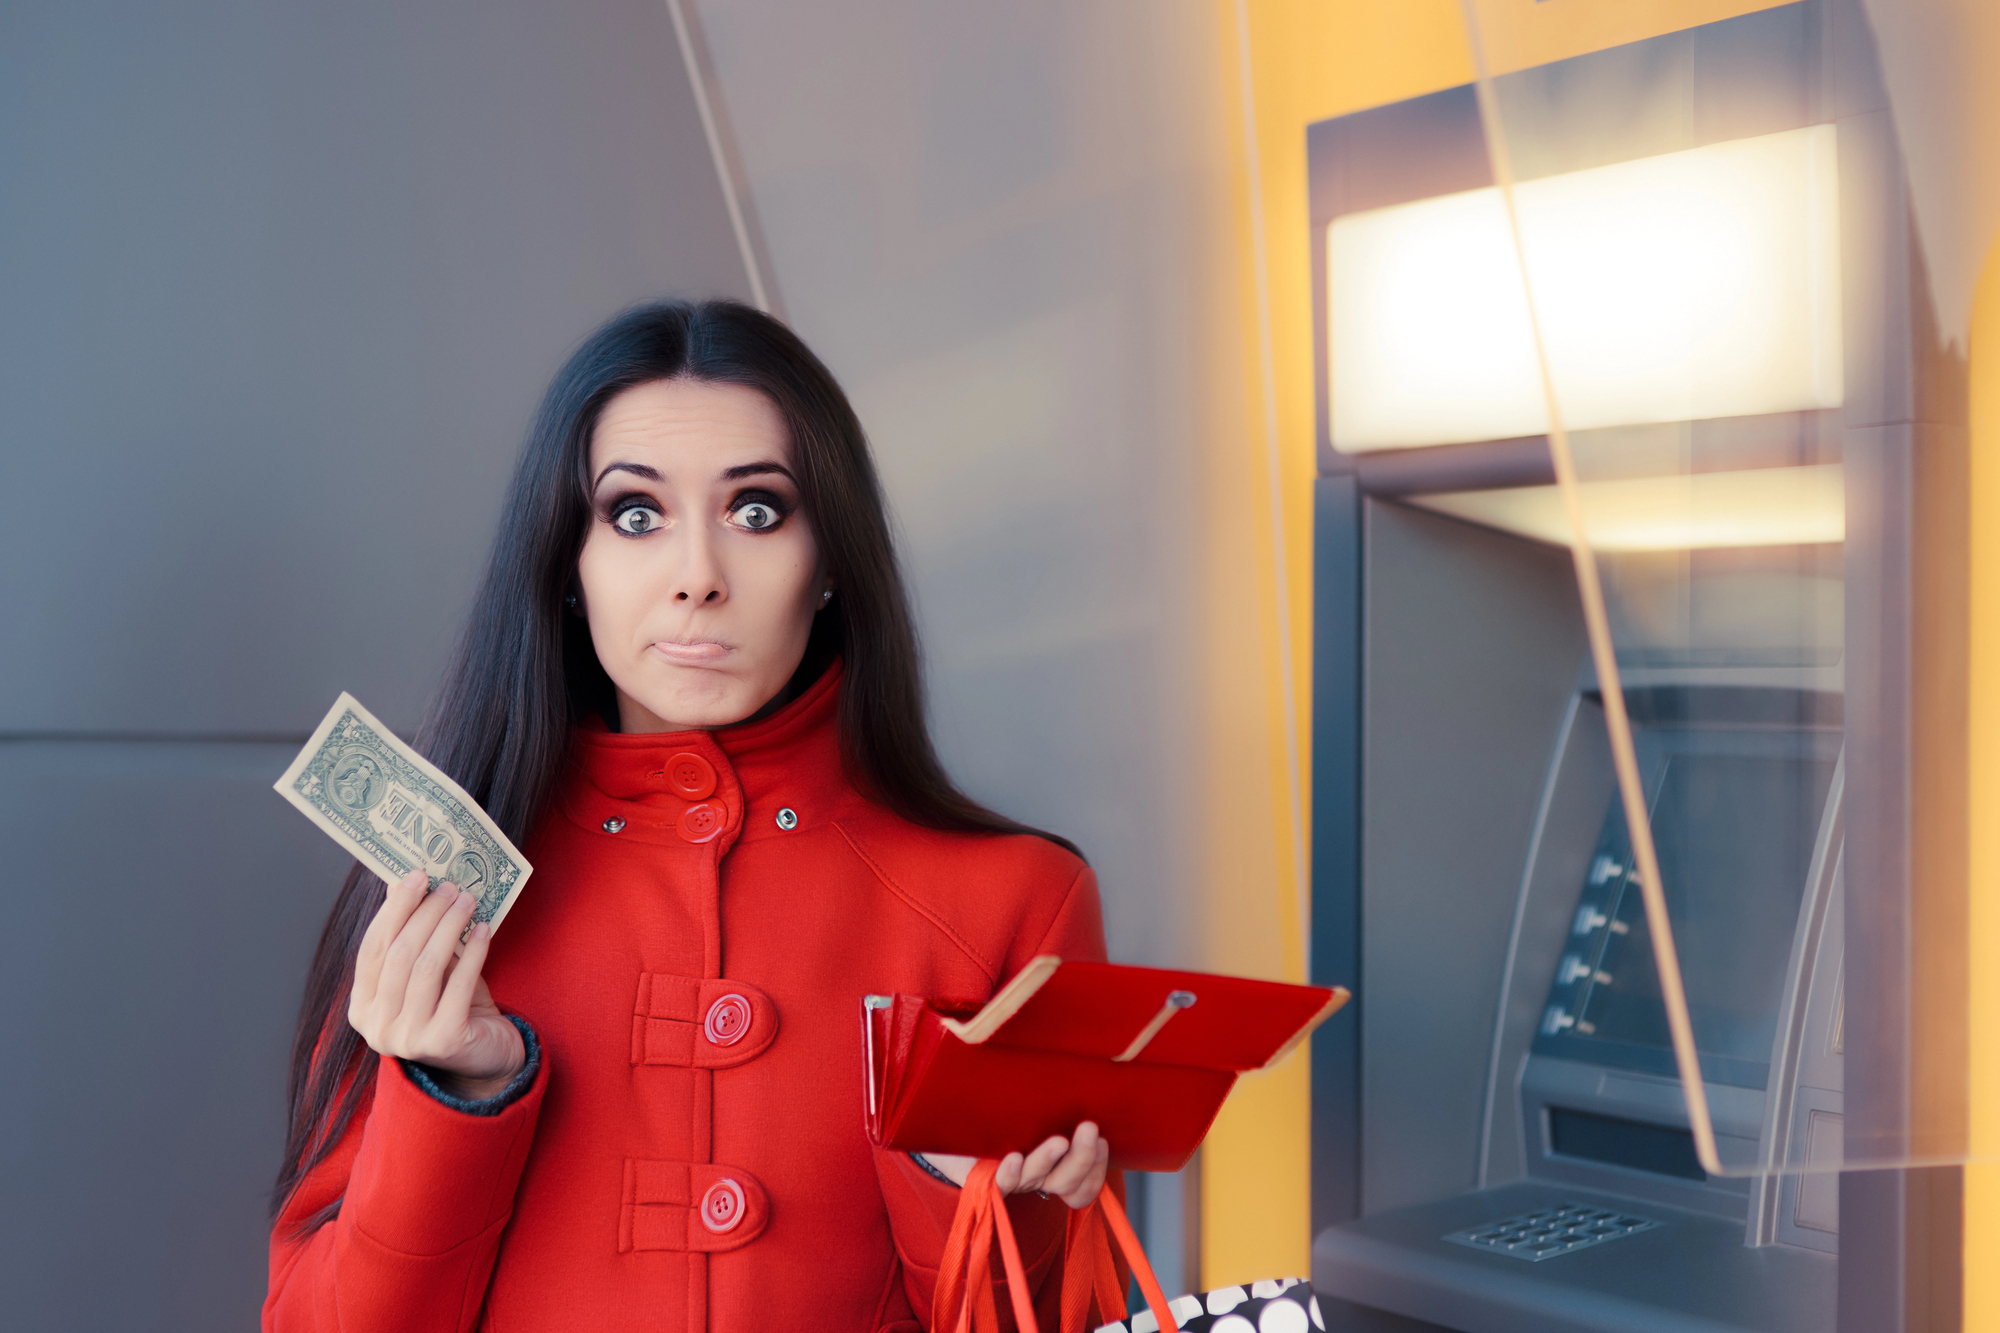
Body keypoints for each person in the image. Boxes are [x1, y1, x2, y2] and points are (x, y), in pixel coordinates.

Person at [265, 300, 1114, 1332]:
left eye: (757, 511)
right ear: (565, 565)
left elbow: (1044, 1321)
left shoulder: (1013, 902)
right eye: (634, 515)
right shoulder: (435, 897)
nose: (697, 578)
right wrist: (453, 1096)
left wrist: (958, 1180)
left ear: (833, 559)